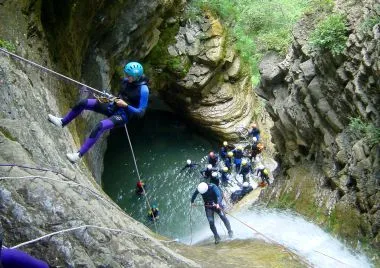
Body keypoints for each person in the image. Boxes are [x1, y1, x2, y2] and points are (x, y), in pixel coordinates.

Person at [48, 62, 149, 163]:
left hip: (123, 115)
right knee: (84, 103)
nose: (126, 77)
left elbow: (140, 113)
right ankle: (62, 122)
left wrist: (126, 105)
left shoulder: (144, 90)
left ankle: (78, 156)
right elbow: (121, 95)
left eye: (129, 75)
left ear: (136, 77)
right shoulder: (126, 81)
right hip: (113, 106)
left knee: (100, 126)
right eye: (126, 74)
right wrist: (111, 97)